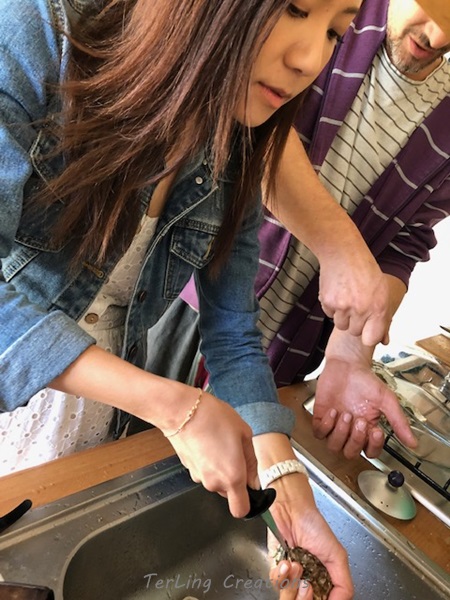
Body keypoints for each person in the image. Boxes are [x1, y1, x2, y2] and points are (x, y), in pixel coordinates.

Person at [0, 0, 364, 597]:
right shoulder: (33, 36)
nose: (309, 60)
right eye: (295, 9)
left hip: (94, 419)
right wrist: (175, 408)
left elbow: (234, 334)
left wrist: (287, 486)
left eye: (334, 32)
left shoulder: (232, 140)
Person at [145, 0, 450, 465]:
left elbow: (405, 244)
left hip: (292, 341)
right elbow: (249, 133)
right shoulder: (326, 17)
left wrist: (350, 351)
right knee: (135, 454)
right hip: (193, 296)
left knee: (244, 469)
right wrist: (342, 248)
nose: (439, 37)